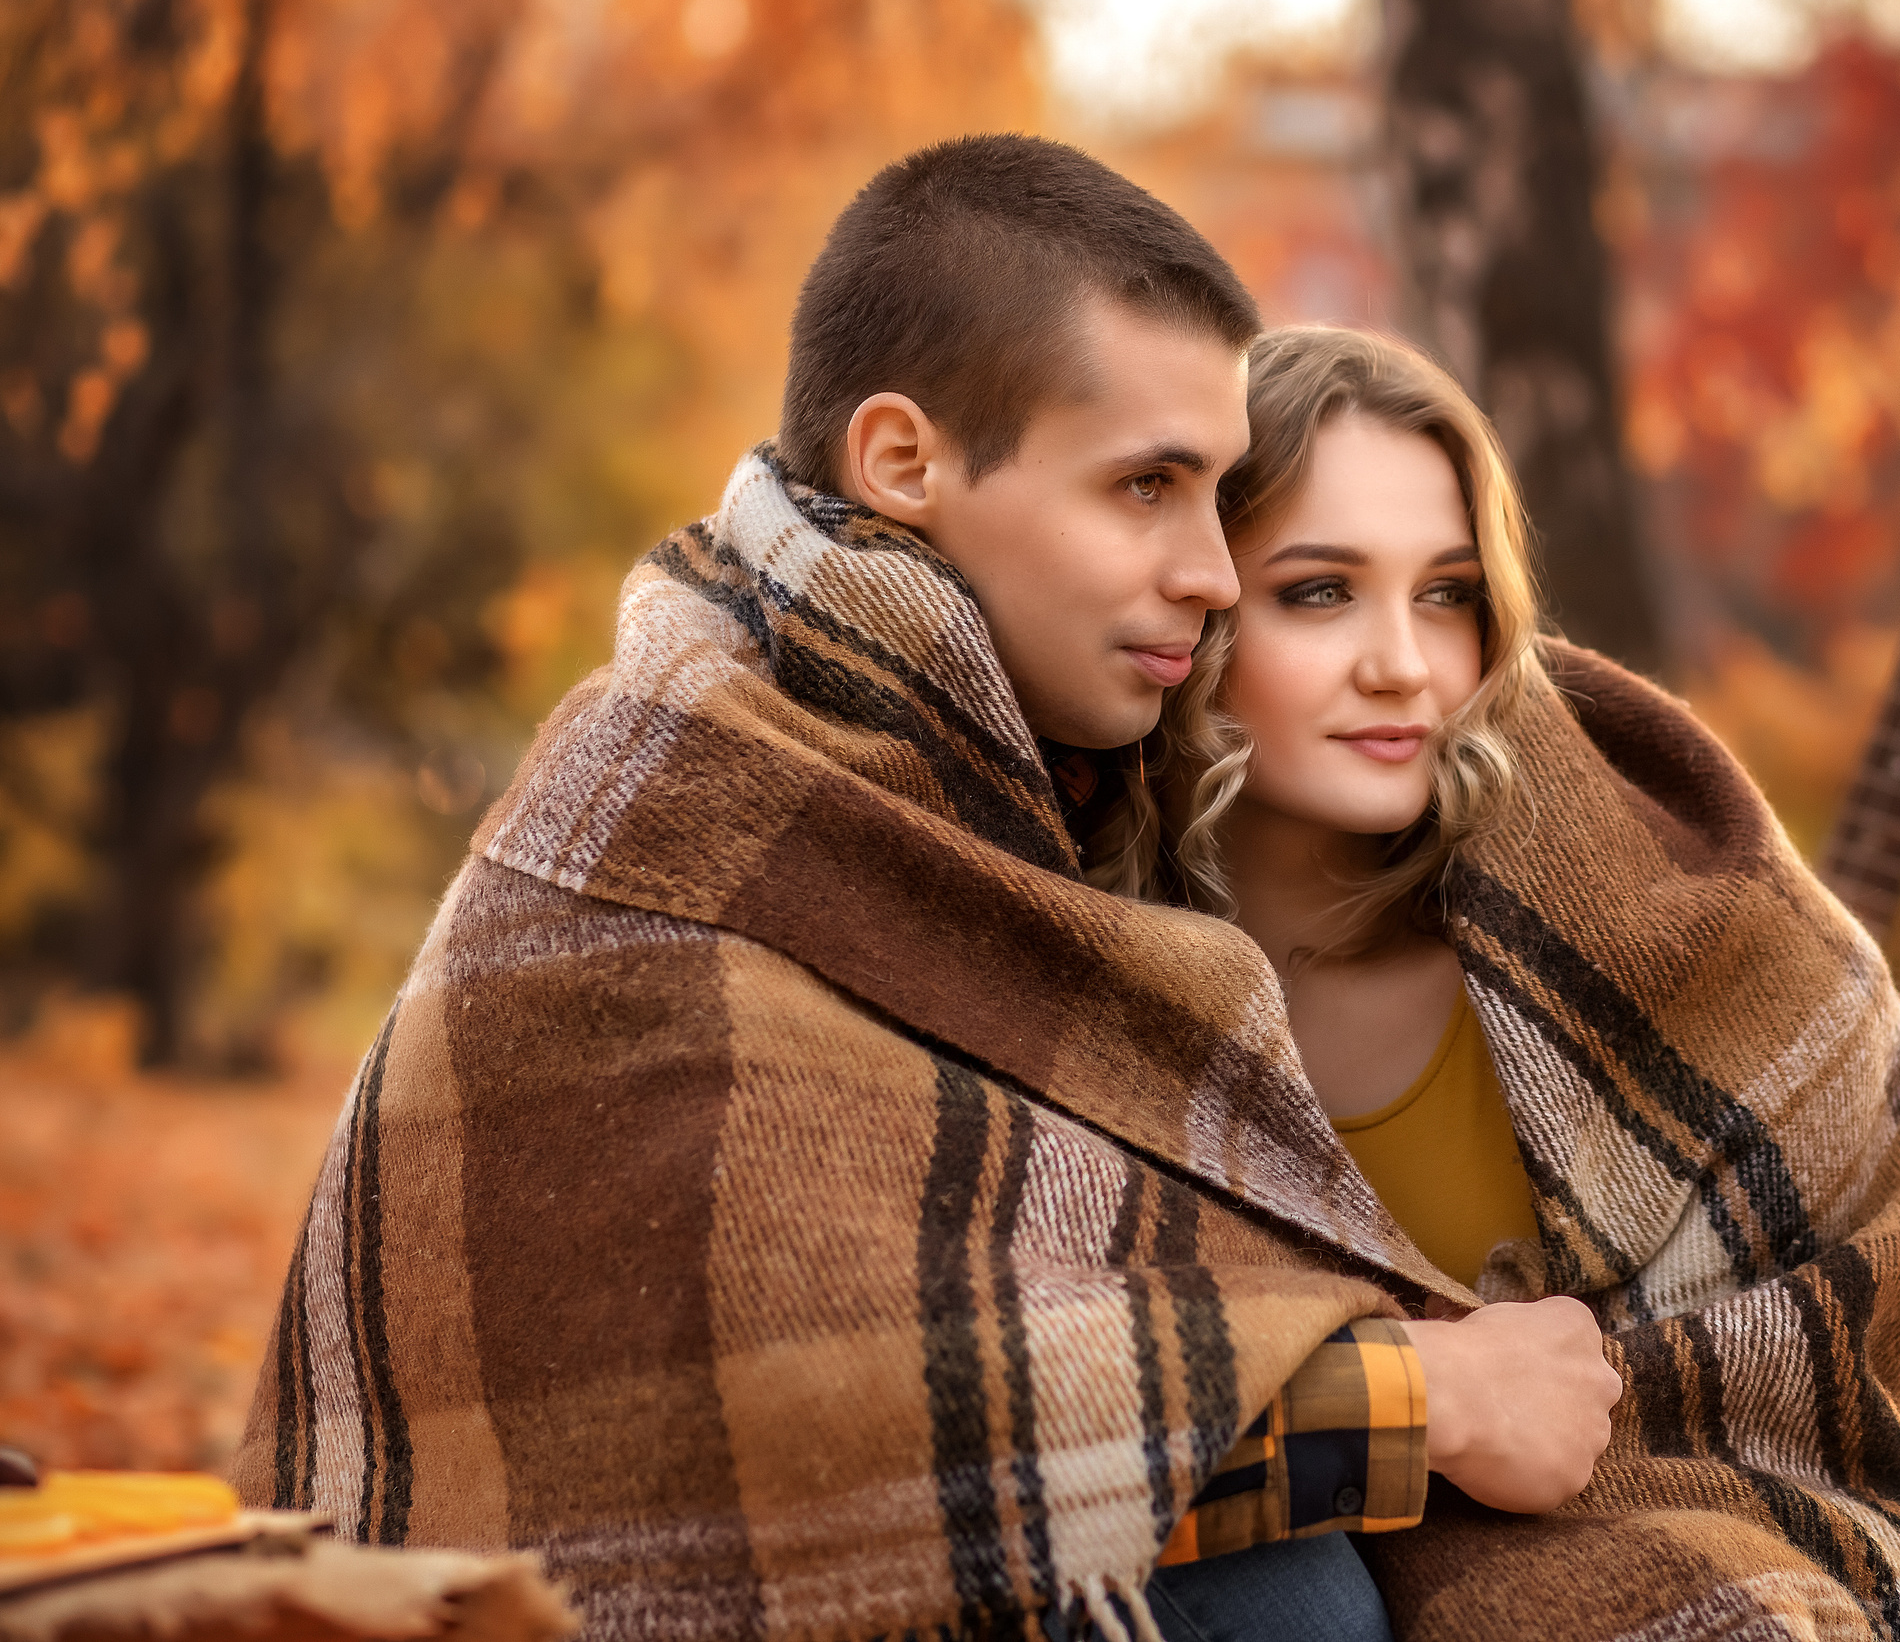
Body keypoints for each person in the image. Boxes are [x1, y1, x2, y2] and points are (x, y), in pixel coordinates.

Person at [229, 136, 1624, 1642]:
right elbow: (808, 1415)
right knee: (1281, 1601)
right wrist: (1421, 1397)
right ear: (904, 465)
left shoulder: (1017, 803)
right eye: (1147, 487)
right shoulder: (683, 793)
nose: (1213, 572)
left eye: (1217, 497)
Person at [1090, 325, 1900, 1640]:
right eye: (1318, 592)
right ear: (1187, 607)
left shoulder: (1657, 954)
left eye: (1446, 594)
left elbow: (1838, 1352)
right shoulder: (1073, 968)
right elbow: (1042, 1395)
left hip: (1662, 1541)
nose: (1404, 665)